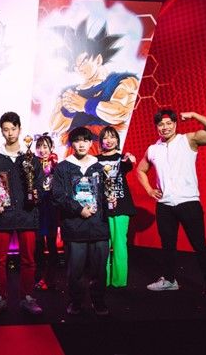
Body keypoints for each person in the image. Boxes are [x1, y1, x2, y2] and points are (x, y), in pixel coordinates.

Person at [137, 110, 206, 304]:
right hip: (164, 205)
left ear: (175, 124)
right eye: (161, 124)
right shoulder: (153, 149)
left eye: (168, 123)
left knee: (200, 245)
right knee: (168, 246)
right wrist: (149, 190)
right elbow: (140, 170)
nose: (165, 127)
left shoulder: (188, 140)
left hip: (188, 202)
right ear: (156, 127)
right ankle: (169, 280)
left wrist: (195, 115)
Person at [0, 111, 44, 315]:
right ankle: (0, 297)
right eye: (6, 129)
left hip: (27, 214)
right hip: (2, 215)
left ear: (19, 129)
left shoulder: (30, 158)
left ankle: (28, 297)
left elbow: (40, 183)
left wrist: (37, 194)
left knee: (29, 259)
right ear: (1, 131)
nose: (10, 133)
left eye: (13, 129)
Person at [50, 19, 139, 155]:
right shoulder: (70, 92)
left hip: (105, 152)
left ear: (98, 59)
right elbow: (55, 127)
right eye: (76, 66)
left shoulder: (122, 81)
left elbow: (120, 112)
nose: (80, 69)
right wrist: (68, 111)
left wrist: (86, 105)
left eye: (83, 62)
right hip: (74, 154)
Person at [52, 126, 112, 316]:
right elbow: (58, 196)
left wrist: (111, 199)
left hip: (98, 227)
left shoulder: (100, 167)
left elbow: (106, 193)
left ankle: (98, 301)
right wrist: (79, 210)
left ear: (90, 143)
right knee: (75, 271)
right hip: (74, 227)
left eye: (85, 141)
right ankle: (76, 302)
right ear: (72, 144)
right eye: (77, 141)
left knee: (99, 270)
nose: (81, 144)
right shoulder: (62, 167)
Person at [96, 126, 137, 287]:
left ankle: (119, 281)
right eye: (105, 137)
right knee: (102, 246)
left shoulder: (123, 158)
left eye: (112, 137)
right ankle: (103, 280)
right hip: (101, 209)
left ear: (117, 140)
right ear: (101, 141)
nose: (109, 140)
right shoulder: (94, 160)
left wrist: (130, 159)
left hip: (121, 207)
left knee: (119, 244)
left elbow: (130, 164)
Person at [33, 133, 60, 291]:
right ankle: (38, 276)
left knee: (51, 244)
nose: (42, 150)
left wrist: (54, 168)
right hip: (37, 208)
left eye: (45, 147)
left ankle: (50, 278)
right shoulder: (32, 164)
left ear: (52, 148)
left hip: (51, 208)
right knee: (37, 245)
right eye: (39, 147)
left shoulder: (57, 164)